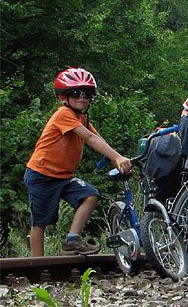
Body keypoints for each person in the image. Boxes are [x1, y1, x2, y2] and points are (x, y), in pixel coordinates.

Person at [24, 68, 132, 257]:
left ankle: (72, 240)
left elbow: (98, 139)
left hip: (64, 176)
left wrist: (117, 157)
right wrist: (116, 157)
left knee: (90, 195)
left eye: (87, 94)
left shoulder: (81, 117)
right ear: (62, 97)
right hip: (42, 174)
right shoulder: (63, 114)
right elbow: (89, 138)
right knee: (40, 222)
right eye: (75, 93)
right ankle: (37, 263)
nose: (82, 98)